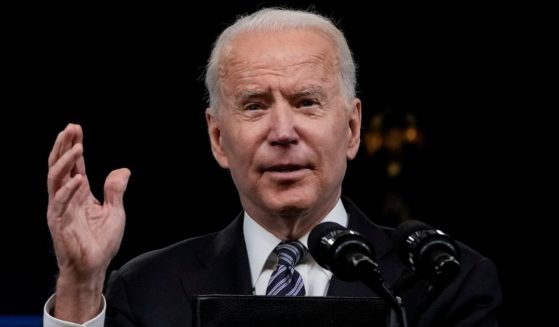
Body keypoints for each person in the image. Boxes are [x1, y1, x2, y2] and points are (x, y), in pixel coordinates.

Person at [44, 8, 502, 327]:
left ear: (351, 128)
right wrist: (81, 285)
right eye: (255, 106)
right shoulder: (145, 289)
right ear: (218, 139)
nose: (283, 131)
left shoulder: (442, 281)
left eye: (306, 102)